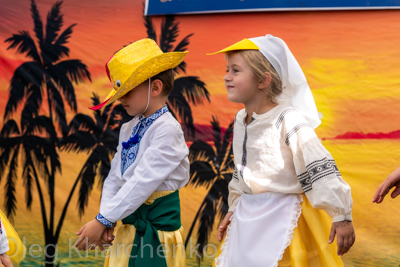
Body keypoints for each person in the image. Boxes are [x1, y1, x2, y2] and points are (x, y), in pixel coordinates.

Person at [208, 34, 355, 267]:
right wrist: (234, 207)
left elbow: (317, 164)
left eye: (235, 70)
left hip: (284, 216)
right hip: (248, 219)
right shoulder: (241, 119)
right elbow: (242, 170)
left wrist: (341, 214)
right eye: (227, 69)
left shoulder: (287, 118)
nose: (226, 77)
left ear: (263, 80)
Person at [74, 38, 190, 267]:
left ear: (155, 88)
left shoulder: (167, 129)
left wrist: (103, 219)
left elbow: (142, 182)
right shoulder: (129, 128)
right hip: (128, 229)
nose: (121, 99)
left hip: (156, 235)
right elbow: (115, 178)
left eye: (127, 92)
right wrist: (106, 218)